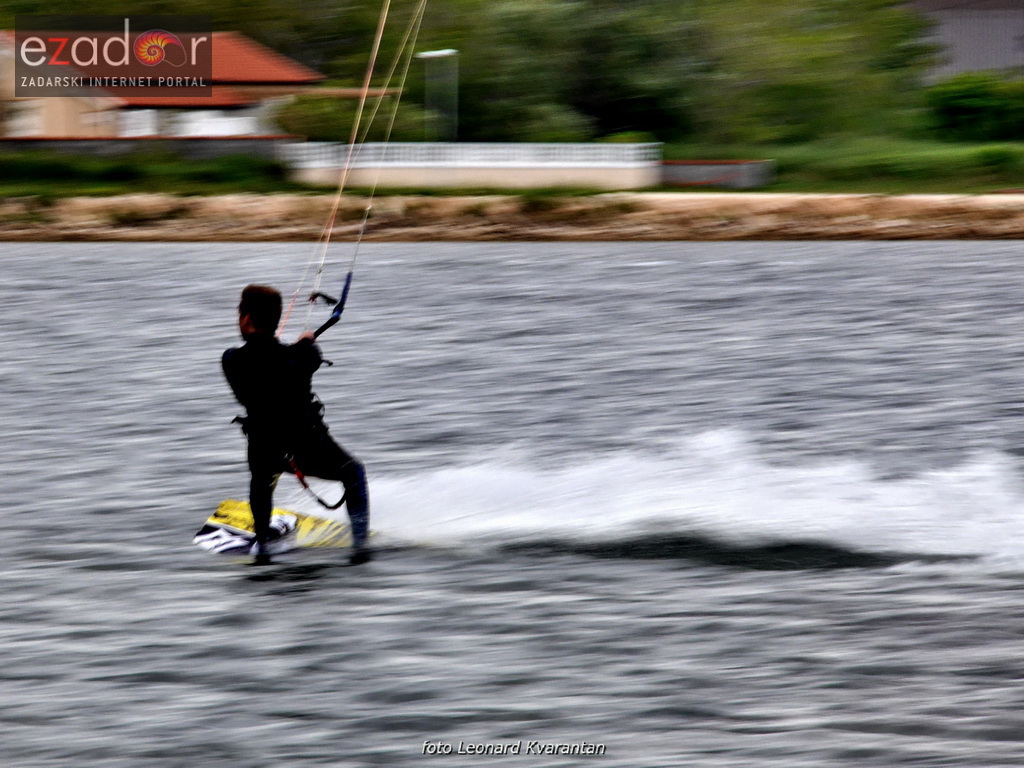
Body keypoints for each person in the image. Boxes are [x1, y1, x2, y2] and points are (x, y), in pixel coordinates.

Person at [222, 284, 370, 565]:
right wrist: (306, 341)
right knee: (354, 474)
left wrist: (294, 346)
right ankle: (360, 546)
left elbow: (264, 360)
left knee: (262, 476)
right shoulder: (303, 356)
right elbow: (296, 357)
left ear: (245, 319)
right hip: (308, 448)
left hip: (266, 449)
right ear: (276, 320)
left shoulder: (231, 360)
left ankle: (263, 537)